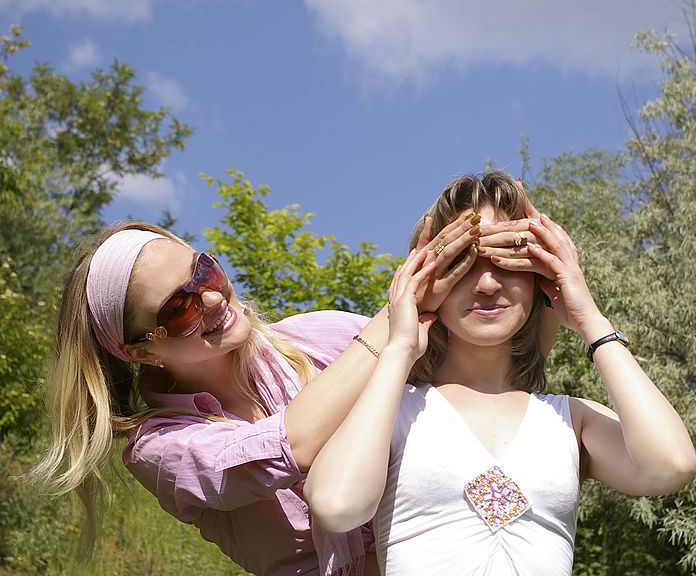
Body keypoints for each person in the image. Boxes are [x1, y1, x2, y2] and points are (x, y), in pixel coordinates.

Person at [28, 215, 501, 576]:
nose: (212, 299)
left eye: (204, 272)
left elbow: (486, 379)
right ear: (141, 351)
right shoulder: (159, 448)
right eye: (178, 307)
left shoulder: (324, 336)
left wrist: (503, 252)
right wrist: (394, 316)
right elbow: (291, 446)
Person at [304, 171, 696, 575]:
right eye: (462, 263)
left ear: (539, 278)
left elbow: (671, 465)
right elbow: (337, 506)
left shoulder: (570, 419)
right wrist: (399, 347)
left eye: (509, 260)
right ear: (425, 278)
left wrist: (589, 320)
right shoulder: (394, 409)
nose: (488, 284)